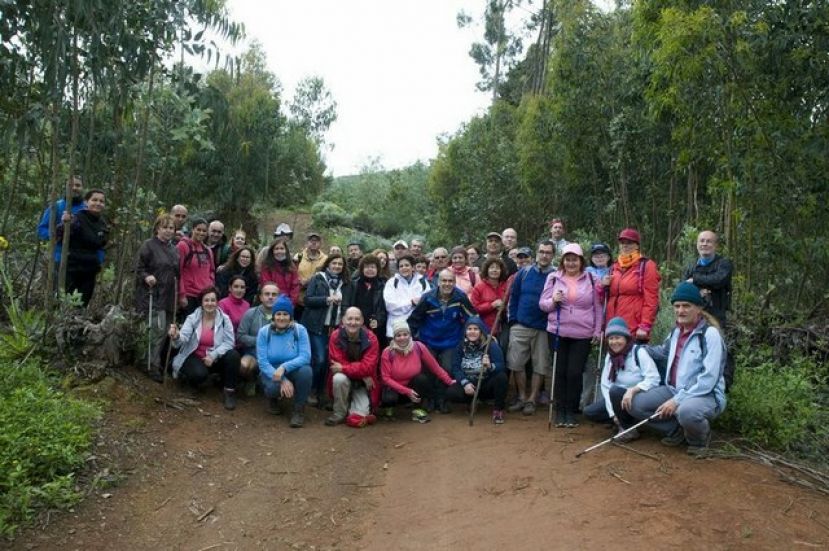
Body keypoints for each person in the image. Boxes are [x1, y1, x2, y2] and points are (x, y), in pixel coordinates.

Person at [611, 282, 727, 455]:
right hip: (672, 389)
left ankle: (699, 440)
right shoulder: (676, 331)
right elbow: (663, 352)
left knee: (687, 411)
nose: (681, 311)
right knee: (634, 405)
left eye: (686, 306)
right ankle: (677, 429)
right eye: (677, 306)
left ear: (698, 308)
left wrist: (677, 401)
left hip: (704, 394)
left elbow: (708, 378)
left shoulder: (710, 335)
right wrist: (636, 347)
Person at [539, 243, 602, 427]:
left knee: (574, 373)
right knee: (560, 372)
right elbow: (542, 304)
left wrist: (598, 330)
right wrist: (553, 301)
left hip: (583, 333)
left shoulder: (591, 278)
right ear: (563, 261)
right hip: (557, 331)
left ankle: (571, 410)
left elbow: (598, 307)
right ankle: (560, 411)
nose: (571, 263)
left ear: (581, 261)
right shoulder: (553, 278)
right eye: (568, 259)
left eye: (575, 259)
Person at [407, 269, 476, 412]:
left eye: (450, 281)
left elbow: (472, 318)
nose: (447, 284)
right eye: (444, 281)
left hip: (451, 341)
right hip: (429, 341)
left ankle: (442, 399)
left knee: (448, 369)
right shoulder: (427, 298)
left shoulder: (460, 297)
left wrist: (484, 335)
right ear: (438, 282)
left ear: (454, 282)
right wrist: (411, 340)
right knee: (428, 371)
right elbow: (414, 320)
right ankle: (430, 398)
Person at [584, 317, 660, 433]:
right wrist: (613, 414)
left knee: (615, 392)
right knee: (590, 412)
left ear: (626, 338)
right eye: (611, 338)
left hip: (637, 397)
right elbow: (605, 385)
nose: (614, 342)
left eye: (618, 338)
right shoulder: (610, 356)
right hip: (617, 399)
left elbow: (654, 378)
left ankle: (628, 428)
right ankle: (623, 421)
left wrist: (633, 390)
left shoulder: (638, 352)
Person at [169, 286, 240, 410]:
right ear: (201, 302)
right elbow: (183, 338)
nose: (210, 303)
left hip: (215, 357)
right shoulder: (193, 318)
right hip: (195, 355)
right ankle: (191, 381)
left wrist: (213, 355)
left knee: (233, 356)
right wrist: (176, 336)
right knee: (198, 374)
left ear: (217, 302)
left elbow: (229, 342)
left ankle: (229, 392)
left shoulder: (225, 319)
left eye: (213, 300)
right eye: (206, 300)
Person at [507, 240, 556, 415]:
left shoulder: (556, 276)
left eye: (548, 252)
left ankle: (531, 400)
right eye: (541, 251)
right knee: (516, 363)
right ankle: (521, 397)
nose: (544, 255)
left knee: (540, 366)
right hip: (521, 325)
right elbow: (514, 296)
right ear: (536, 253)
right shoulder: (524, 273)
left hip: (543, 328)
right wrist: (513, 320)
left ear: (553, 255)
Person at [301, 253, 352, 407]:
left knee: (329, 362)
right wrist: (327, 300)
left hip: (335, 327)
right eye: (334, 263)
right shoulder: (318, 278)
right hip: (316, 326)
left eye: (340, 264)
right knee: (319, 359)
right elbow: (307, 300)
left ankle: (321, 391)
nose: (337, 266)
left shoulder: (346, 283)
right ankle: (310, 390)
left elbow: (347, 304)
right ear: (328, 264)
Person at [379, 319, 454, 423]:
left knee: (422, 379)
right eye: (398, 335)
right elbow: (385, 378)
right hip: (395, 387)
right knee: (389, 398)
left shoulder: (418, 347)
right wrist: (407, 391)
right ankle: (389, 410)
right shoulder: (387, 352)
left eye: (405, 334)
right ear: (394, 337)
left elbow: (435, 367)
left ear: (409, 335)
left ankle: (417, 409)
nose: (402, 338)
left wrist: (449, 381)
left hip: (413, 386)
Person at [135, 213, 179, 382]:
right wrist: (146, 277)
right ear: (157, 228)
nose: (168, 231)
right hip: (151, 295)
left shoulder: (174, 249)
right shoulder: (148, 245)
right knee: (155, 330)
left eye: (171, 228)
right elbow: (138, 268)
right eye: (165, 227)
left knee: (165, 331)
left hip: (168, 296)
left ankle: (156, 362)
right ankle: (149, 364)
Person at [256, 294, 312, 428]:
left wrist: (284, 367)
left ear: (290, 316)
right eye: (278, 314)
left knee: (306, 371)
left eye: (285, 314)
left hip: (292, 369)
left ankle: (298, 409)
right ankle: (273, 399)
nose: (281, 317)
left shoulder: (300, 330)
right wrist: (282, 379)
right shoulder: (264, 332)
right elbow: (263, 362)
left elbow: (305, 356)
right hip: (271, 371)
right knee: (272, 388)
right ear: (274, 316)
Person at [445, 316, 509, 424]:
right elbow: (456, 368)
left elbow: (501, 366)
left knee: (501, 377)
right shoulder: (460, 347)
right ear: (465, 331)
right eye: (469, 329)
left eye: (476, 329)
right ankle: (471, 402)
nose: (472, 332)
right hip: (470, 385)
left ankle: (498, 409)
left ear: (481, 331)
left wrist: (489, 366)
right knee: (451, 392)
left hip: (485, 384)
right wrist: (465, 383)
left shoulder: (491, 346)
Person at [326, 307, 380, 427]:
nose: (353, 322)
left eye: (357, 319)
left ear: (362, 321)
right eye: (349, 319)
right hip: (351, 377)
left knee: (360, 416)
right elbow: (336, 364)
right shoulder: (336, 336)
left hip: (363, 382)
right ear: (343, 320)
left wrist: (345, 369)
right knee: (338, 378)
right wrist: (361, 372)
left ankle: (351, 403)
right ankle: (339, 412)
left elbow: (368, 367)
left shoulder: (371, 338)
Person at [604, 228, 661, 343]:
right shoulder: (614, 267)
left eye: (629, 243)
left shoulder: (646, 266)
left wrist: (645, 325)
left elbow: (651, 299)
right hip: (613, 326)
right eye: (622, 243)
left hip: (634, 328)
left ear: (637, 246)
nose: (625, 246)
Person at [56, 188, 108, 306]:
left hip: (90, 270)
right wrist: (65, 223)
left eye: (101, 201)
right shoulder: (77, 218)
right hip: (72, 268)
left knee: (82, 304)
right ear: (86, 202)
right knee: (66, 303)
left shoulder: (103, 224)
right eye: (94, 200)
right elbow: (59, 234)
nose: (98, 203)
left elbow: (102, 244)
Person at [237, 283, 280, 394]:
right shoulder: (251, 313)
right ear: (260, 297)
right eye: (267, 294)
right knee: (244, 365)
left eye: (274, 294)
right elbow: (240, 336)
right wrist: (260, 340)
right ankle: (251, 380)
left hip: (276, 356)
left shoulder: (284, 315)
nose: (270, 297)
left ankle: (270, 389)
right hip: (253, 353)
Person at [683, 230, 732, 326]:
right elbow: (684, 288)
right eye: (702, 241)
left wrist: (695, 280)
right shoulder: (691, 267)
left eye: (708, 241)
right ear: (697, 244)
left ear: (715, 245)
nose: (704, 244)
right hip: (693, 315)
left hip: (717, 316)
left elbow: (718, 280)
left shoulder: (723, 264)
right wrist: (698, 292)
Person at [37, 175, 86, 268]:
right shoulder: (57, 206)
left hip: (81, 260)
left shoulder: (86, 208)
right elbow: (41, 229)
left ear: (82, 188)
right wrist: (57, 233)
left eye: (78, 185)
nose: (74, 188)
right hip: (59, 259)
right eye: (71, 185)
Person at [345, 254, 388, 348]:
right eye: (367, 267)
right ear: (362, 269)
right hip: (355, 324)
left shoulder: (384, 286)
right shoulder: (353, 284)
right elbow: (347, 304)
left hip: (375, 327)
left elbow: (384, 308)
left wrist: (378, 321)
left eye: (373, 267)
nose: (370, 269)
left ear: (377, 269)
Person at [383, 255, 430, 338]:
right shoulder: (392, 283)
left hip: (417, 329)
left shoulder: (422, 282)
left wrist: (402, 305)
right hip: (395, 330)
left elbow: (427, 304)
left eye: (407, 265)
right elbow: (390, 306)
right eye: (401, 266)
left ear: (413, 267)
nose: (404, 268)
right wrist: (411, 303)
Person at [176, 218, 214, 317]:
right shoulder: (183, 246)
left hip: (204, 296)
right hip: (189, 295)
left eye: (204, 231)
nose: (201, 233)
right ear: (193, 229)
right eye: (198, 229)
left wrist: (210, 286)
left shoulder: (207, 250)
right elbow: (178, 271)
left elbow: (211, 271)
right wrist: (181, 295)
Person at [470, 257, 509, 334]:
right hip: (484, 327)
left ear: (501, 271)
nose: (494, 270)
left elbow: (511, 304)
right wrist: (492, 305)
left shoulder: (506, 286)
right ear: (487, 270)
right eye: (491, 268)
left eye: (497, 268)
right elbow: (474, 308)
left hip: (504, 327)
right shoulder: (479, 287)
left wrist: (504, 307)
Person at [258, 240, 301, 305]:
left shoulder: (291, 266)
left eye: (282, 248)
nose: (279, 251)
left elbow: (295, 286)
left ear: (286, 250)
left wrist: (290, 302)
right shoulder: (266, 266)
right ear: (272, 251)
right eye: (276, 249)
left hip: (288, 303)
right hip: (271, 302)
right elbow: (266, 284)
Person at [295, 231, 328, 311]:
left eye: (316, 241)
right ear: (307, 243)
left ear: (320, 244)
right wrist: (299, 281)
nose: (314, 243)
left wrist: (309, 281)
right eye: (311, 240)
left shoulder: (326, 259)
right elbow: (293, 272)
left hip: (315, 298)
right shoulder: (298, 256)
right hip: (298, 298)